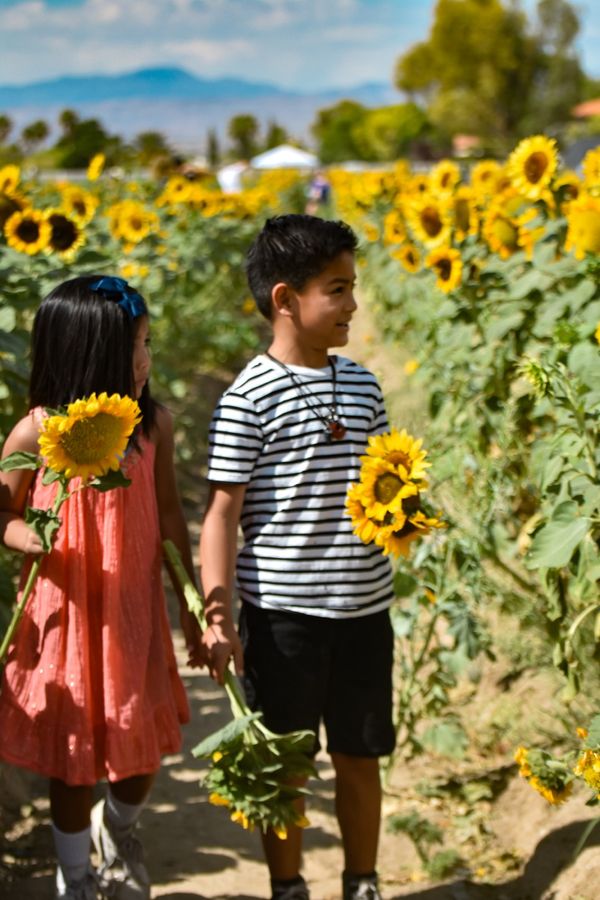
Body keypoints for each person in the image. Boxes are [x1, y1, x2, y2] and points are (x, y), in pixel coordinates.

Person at [200, 215, 395, 900]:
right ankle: (288, 887)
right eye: (336, 290)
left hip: (366, 606)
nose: (352, 305)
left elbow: (384, 476)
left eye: (352, 288)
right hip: (284, 615)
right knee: (285, 762)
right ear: (286, 299)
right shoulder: (248, 397)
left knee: (360, 752)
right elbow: (222, 513)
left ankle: (362, 881)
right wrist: (218, 615)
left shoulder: (364, 386)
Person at [0, 275, 204, 900]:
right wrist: (23, 537)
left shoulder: (150, 428)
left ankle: (117, 829)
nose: (145, 360)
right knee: (73, 757)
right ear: (85, 355)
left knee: (138, 754)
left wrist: (191, 605)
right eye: (132, 347)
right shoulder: (37, 433)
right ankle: (77, 876)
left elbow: (170, 517)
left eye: (148, 342)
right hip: (65, 616)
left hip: (133, 614)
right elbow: (2, 512)